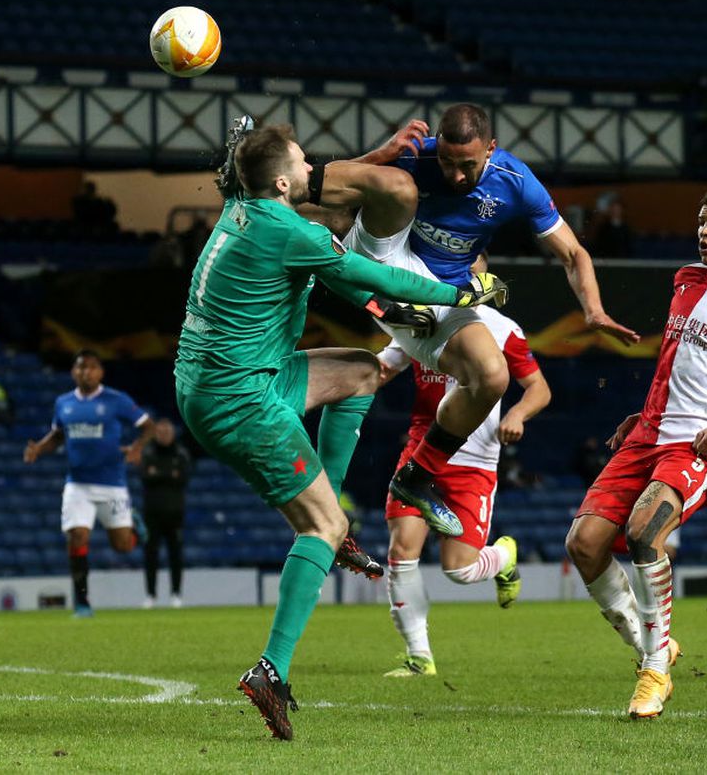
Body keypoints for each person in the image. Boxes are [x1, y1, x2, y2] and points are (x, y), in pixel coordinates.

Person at [174, 121, 507, 741]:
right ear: (281, 182)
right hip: (240, 395)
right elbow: (373, 277)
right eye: (305, 164)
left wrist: (379, 157)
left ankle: (332, 505)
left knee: (362, 371)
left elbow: (319, 232)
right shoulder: (286, 230)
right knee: (322, 527)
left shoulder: (244, 203)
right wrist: (457, 293)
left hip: (233, 374)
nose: (315, 170)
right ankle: (270, 669)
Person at [337, 104, 638, 536]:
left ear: (491, 149)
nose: (456, 176)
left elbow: (573, 253)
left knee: (493, 377)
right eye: (446, 161)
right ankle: (361, 290)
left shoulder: (516, 182)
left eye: (468, 165)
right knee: (386, 188)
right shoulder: (414, 155)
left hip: (446, 300)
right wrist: (380, 154)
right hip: (392, 261)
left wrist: (593, 309)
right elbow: (336, 183)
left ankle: (416, 479)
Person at [564, 186, 707, 720]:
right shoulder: (687, 281)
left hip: (698, 443)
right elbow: (676, 360)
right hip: (649, 432)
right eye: (700, 223)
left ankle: (655, 672)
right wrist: (642, 412)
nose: (704, 232)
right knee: (584, 543)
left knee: (645, 532)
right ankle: (656, 644)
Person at [380, 304, 551, 677]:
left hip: (474, 461)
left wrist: (518, 414)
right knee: (401, 549)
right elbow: (381, 368)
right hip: (422, 450)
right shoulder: (420, 318)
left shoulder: (502, 328)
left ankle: (504, 558)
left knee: (458, 570)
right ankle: (419, 656)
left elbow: (539, 388)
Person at [23, 350, 154, 618]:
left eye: (92, 368)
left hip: (112, 484)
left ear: (100, 372)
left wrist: (138, 448)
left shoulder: (116, 400)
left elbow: (148, 425)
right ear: (74, 372)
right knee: (77, 537)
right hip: (78, 484)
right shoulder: (64, 403)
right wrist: (40, 447)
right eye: (81, 368)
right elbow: (58, 436)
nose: (86, 372)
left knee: (122, 546)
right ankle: (82, 603)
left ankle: (134, 526)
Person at [139, 418, 192, 609]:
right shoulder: (147, 451)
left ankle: (176, 594)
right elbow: (145, 477)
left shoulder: (181, 452)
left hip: (175, 512)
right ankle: (150, 595)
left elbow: (184, 478)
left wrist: (158, 473)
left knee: (175, 555)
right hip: (152, 513)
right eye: (160, 433)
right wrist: (170, 473)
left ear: (172, 433)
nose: (164, 436)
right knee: (150, 554)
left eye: (167, 432)